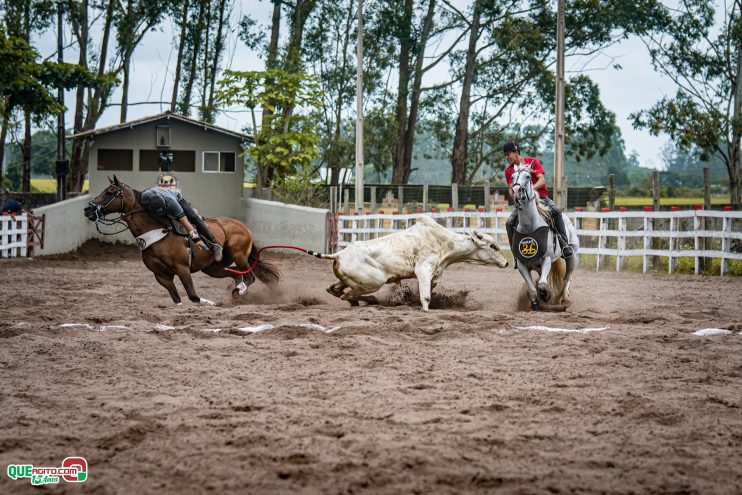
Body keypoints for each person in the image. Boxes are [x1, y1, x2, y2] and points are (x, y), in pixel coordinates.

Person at [503, 141, 574, 258]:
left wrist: (529, 189)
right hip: (523, 202)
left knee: (556, 211)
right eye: (505, 155)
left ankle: (564, 244)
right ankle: (515, 251)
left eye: (508, 154)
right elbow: (511, 189)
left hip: (541, 197)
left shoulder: (532, 162)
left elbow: (542, 181)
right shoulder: (508, 171)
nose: (506, 157)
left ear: (516, 152)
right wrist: (514, 195)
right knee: (509, 223)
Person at [140, 188, 223, 262]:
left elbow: (185, 222)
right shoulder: (144, 199)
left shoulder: (172, 203)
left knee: (193, 217)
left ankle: (214, 245)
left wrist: (197, 239)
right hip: (156, 200)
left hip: (177, 199)